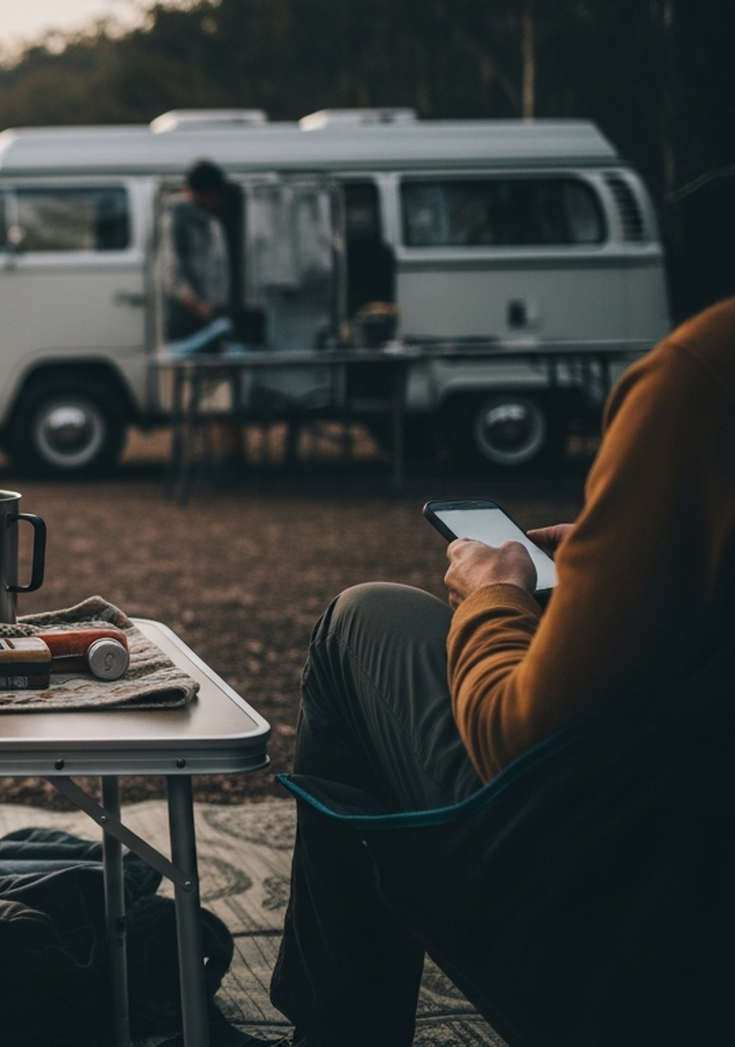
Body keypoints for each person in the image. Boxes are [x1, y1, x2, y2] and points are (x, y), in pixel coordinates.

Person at [263, 296, 735, 1045]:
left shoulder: (707, 373)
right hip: (694, 823)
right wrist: (616, 553)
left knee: (358, 620)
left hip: (625, 903)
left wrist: (494, 595)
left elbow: (515, 742)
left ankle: (337, 1031)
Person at [158, 158, 233, 347]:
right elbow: (173, 274)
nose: (217, 200)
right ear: (205, 193)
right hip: (187, 319)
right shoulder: (178, 219)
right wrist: (200, 308)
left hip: (204, 317)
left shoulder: (203, 220)